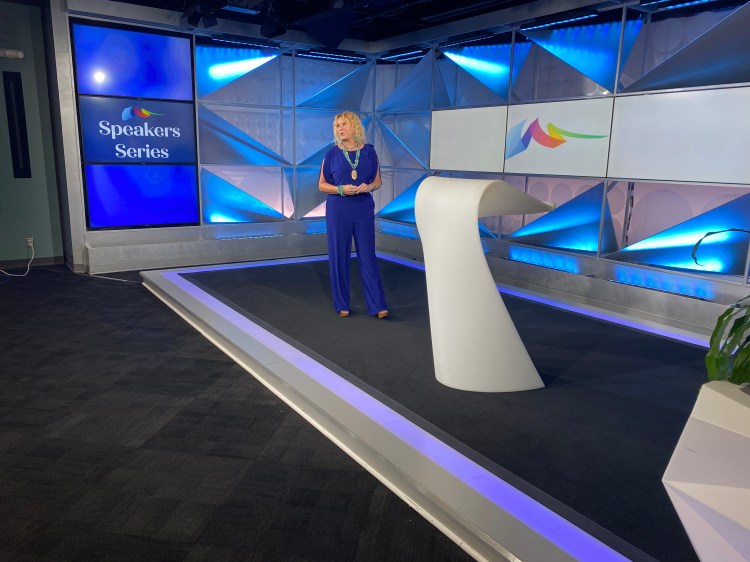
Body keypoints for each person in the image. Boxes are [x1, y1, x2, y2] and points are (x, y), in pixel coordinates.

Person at [318, 111, 388, 318]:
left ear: (354, 126)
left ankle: (377, 305)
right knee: (339, 256)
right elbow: (322, 185)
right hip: (338, 209)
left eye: (344, 124)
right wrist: (340, 189)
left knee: (368, 256)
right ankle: (342, 304)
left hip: (363, 208)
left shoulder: (369, 152)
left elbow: (378, 181)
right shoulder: (331, 154)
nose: (340, 128)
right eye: (337, 125)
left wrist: (369, 187)